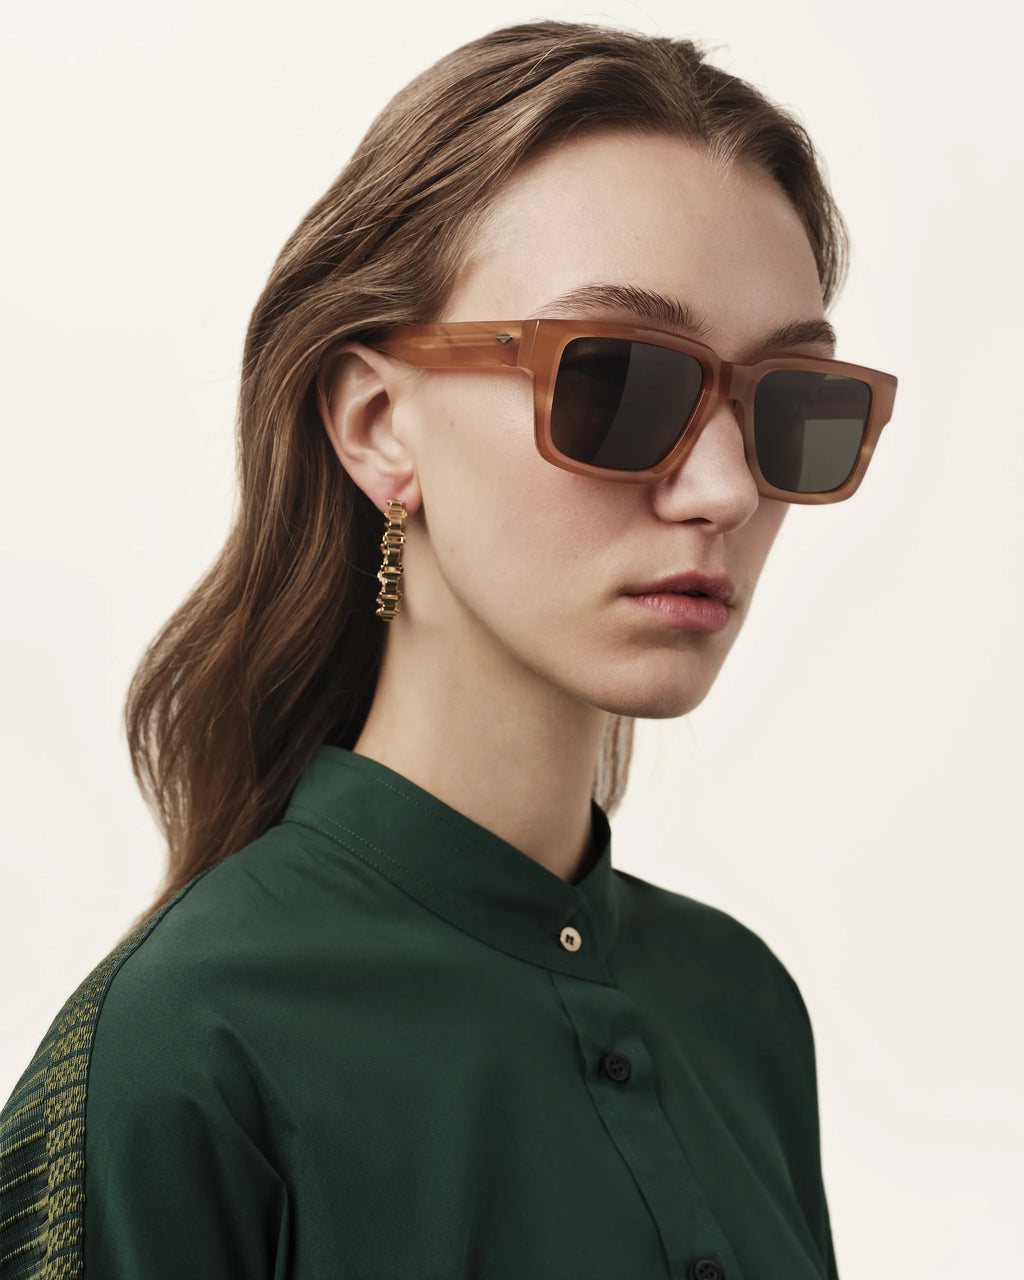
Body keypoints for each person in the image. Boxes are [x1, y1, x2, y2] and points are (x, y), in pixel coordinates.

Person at [0, 19, 896, 1280]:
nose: (724, 489)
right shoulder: (184, 1049)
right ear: (378, 424)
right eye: (618, 383)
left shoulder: (739, 1007)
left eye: (790, 404)